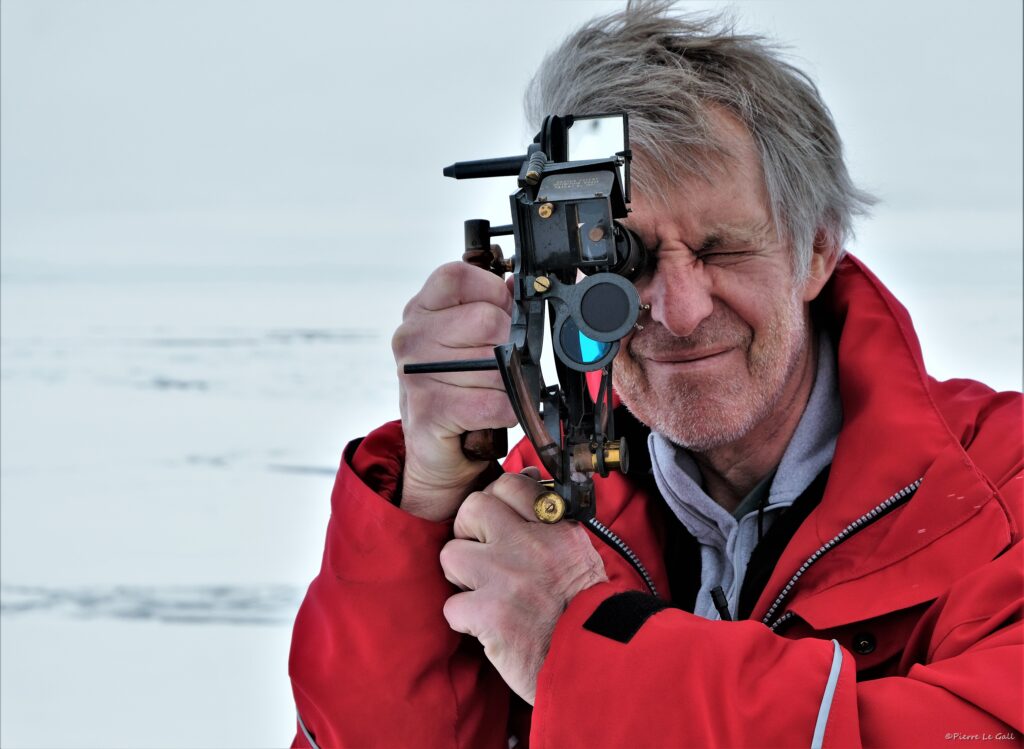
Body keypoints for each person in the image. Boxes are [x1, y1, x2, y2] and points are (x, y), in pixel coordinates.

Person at [288, 4, 1023, 747]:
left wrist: (584, 643)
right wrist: (426, 508)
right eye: (622, 259)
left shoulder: (1000, 494)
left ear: (818, 252)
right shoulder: (533, 512)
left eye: (723, 249)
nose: (677, 309)